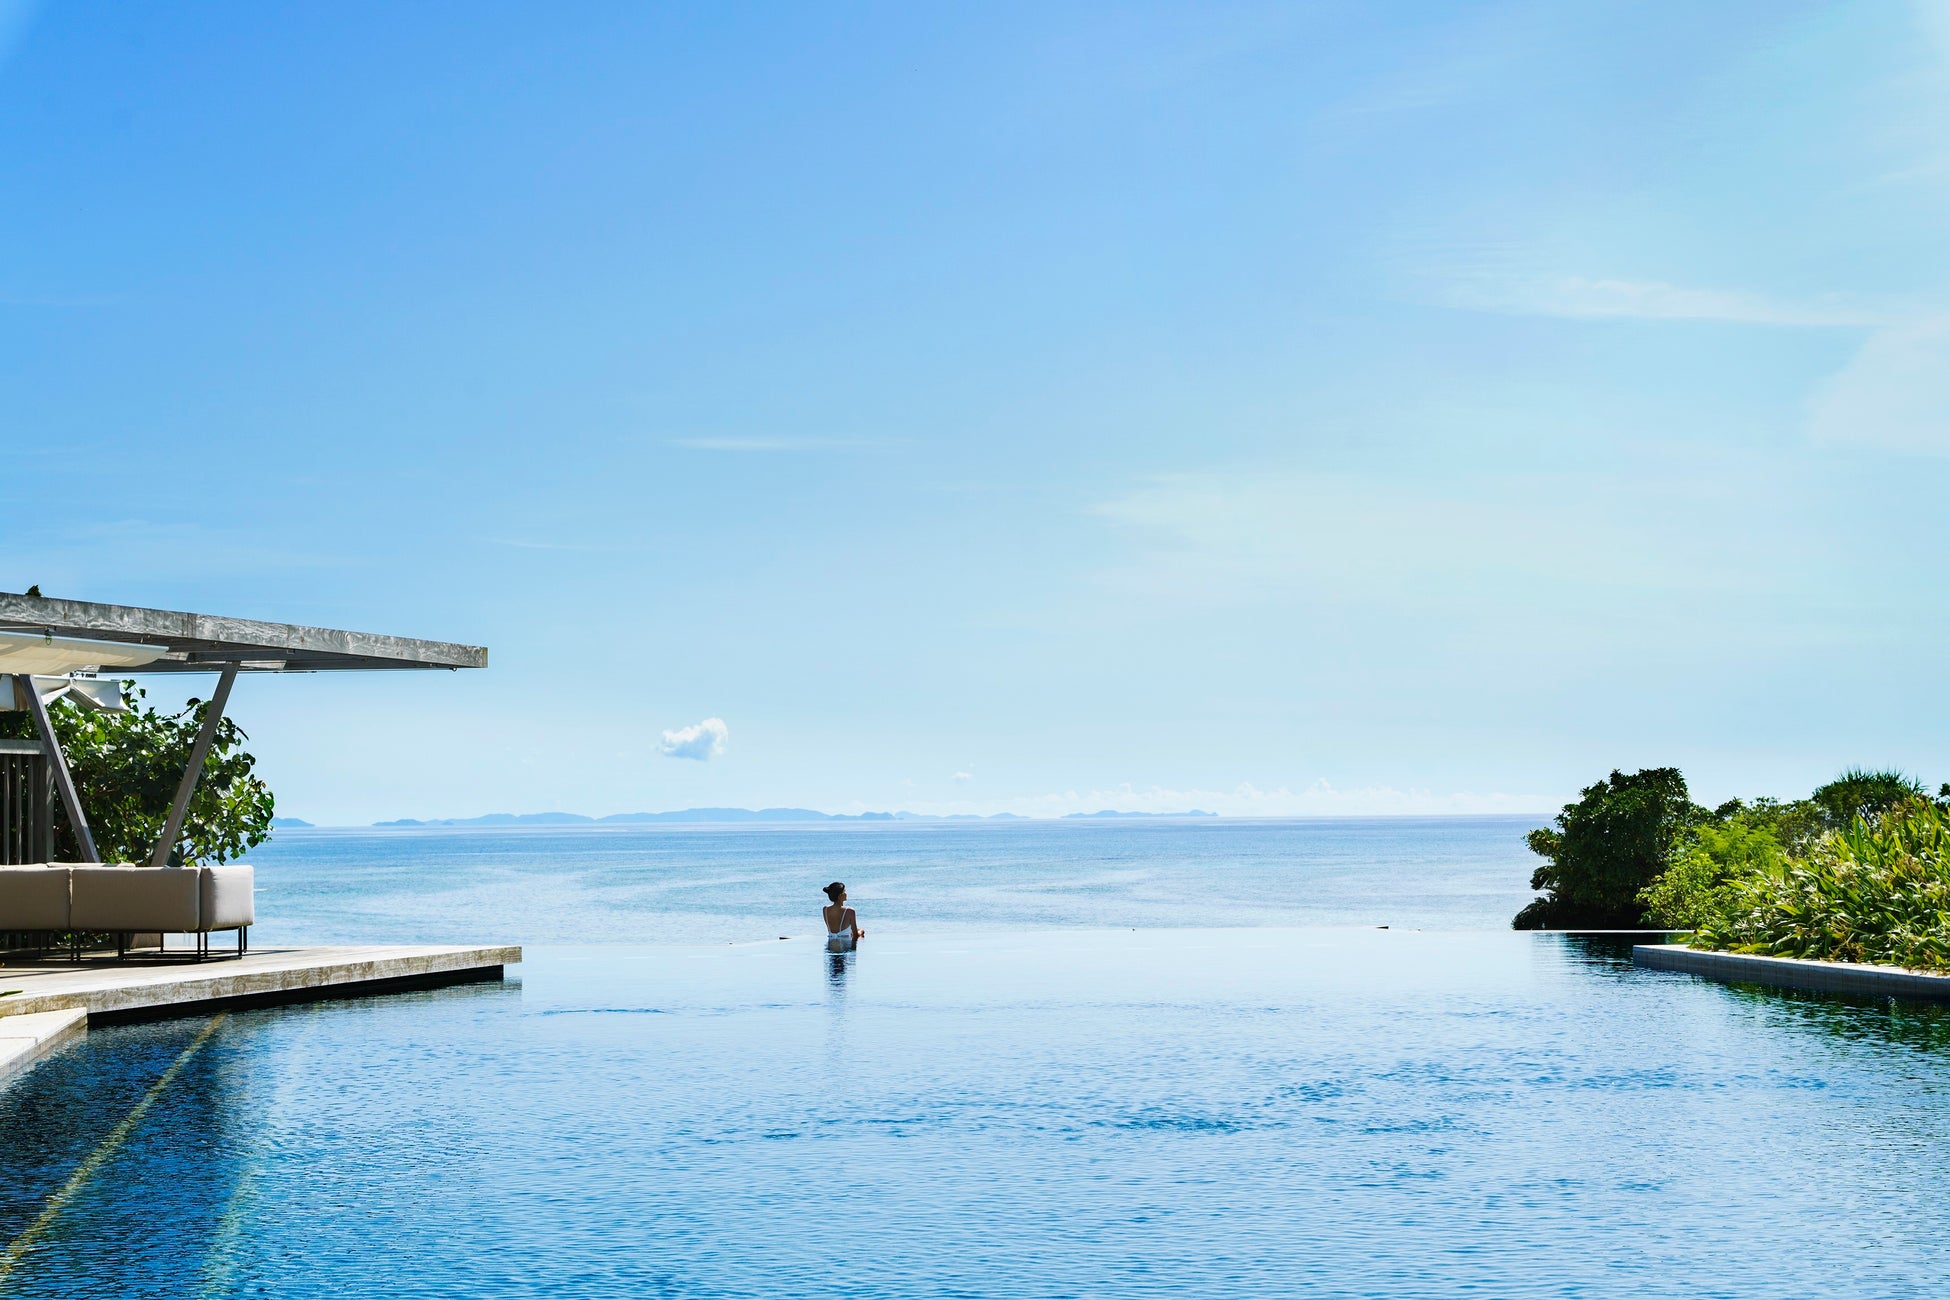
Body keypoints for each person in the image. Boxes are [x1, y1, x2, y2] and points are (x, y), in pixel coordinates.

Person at [822, 881, 865, 953]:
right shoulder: (850, 911)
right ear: (840, 896)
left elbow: (837, 929)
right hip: (845, 946)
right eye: (844, 891)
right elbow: (855, 935)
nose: (846, 893)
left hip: (830, 946)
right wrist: (861, 931)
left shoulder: (825, 909)